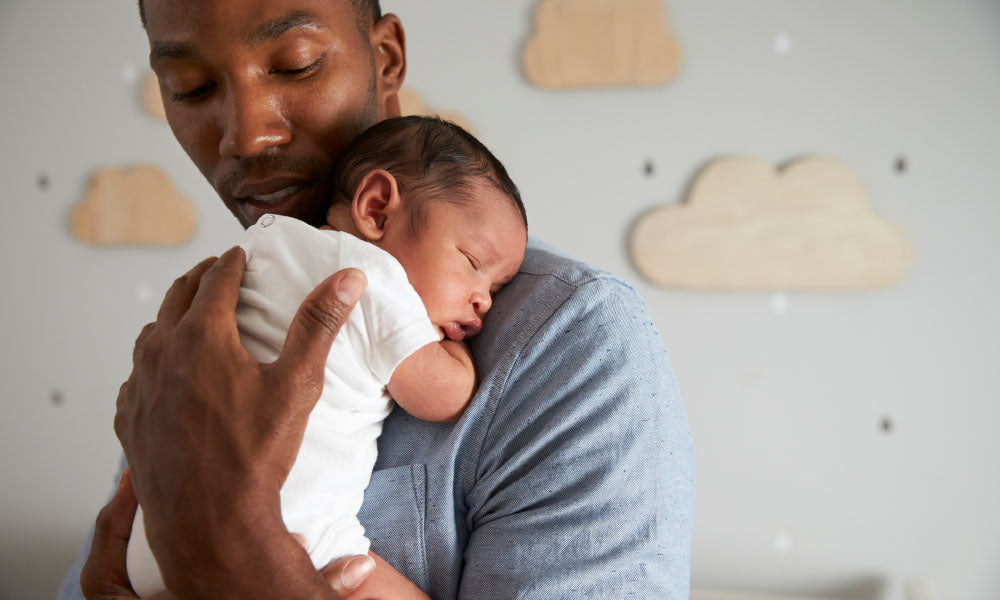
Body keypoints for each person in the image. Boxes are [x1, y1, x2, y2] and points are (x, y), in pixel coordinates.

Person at [59, 0, 695, 598]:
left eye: (297, 64)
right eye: (192, 87)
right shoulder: (206, 327)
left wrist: (243, 556)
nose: (247, 136)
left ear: (385, 59)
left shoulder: (571, 344)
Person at [124, 115, 529, 597]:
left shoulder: (267, 244)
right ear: (377, 209)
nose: (484, 299)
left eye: (496, 288)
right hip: (292, 535)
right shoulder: (371, 277)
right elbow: (444, 396)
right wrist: (455, 350)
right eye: (472, 264)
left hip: (151, 541)